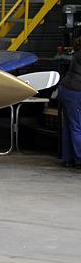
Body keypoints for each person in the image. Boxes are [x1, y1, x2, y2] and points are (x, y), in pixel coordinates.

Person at [59, 38, 81, 167]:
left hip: (68, 90)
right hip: (75, 91)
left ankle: (68, 158)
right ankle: (79, 158)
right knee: (77, 127)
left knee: (69, 125)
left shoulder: (77, 54)